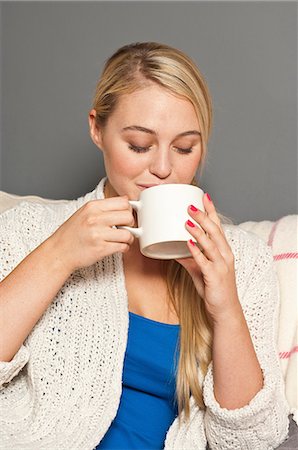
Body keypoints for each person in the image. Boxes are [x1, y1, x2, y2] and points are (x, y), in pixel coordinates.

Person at [0, 42, 290, 450]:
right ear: (97, 129)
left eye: (185, 147)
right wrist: (58, 255)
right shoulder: (30, 230)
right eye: (139, 144)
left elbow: (252, 441)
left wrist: (225, 307)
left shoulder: (240, 260)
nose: (164, 168)